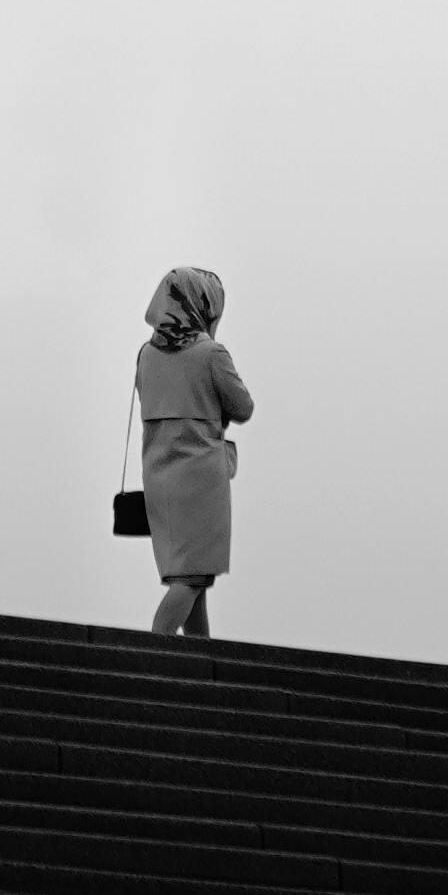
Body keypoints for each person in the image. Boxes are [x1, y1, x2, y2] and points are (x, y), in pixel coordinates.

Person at [129, 261, 255, 644]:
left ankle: (201, 655)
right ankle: (156, 647)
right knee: (192, 576)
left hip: (158, 470)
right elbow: (243, 407)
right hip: (200, 474)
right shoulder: (211, 354)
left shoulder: (146, 355)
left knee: (189, 574)